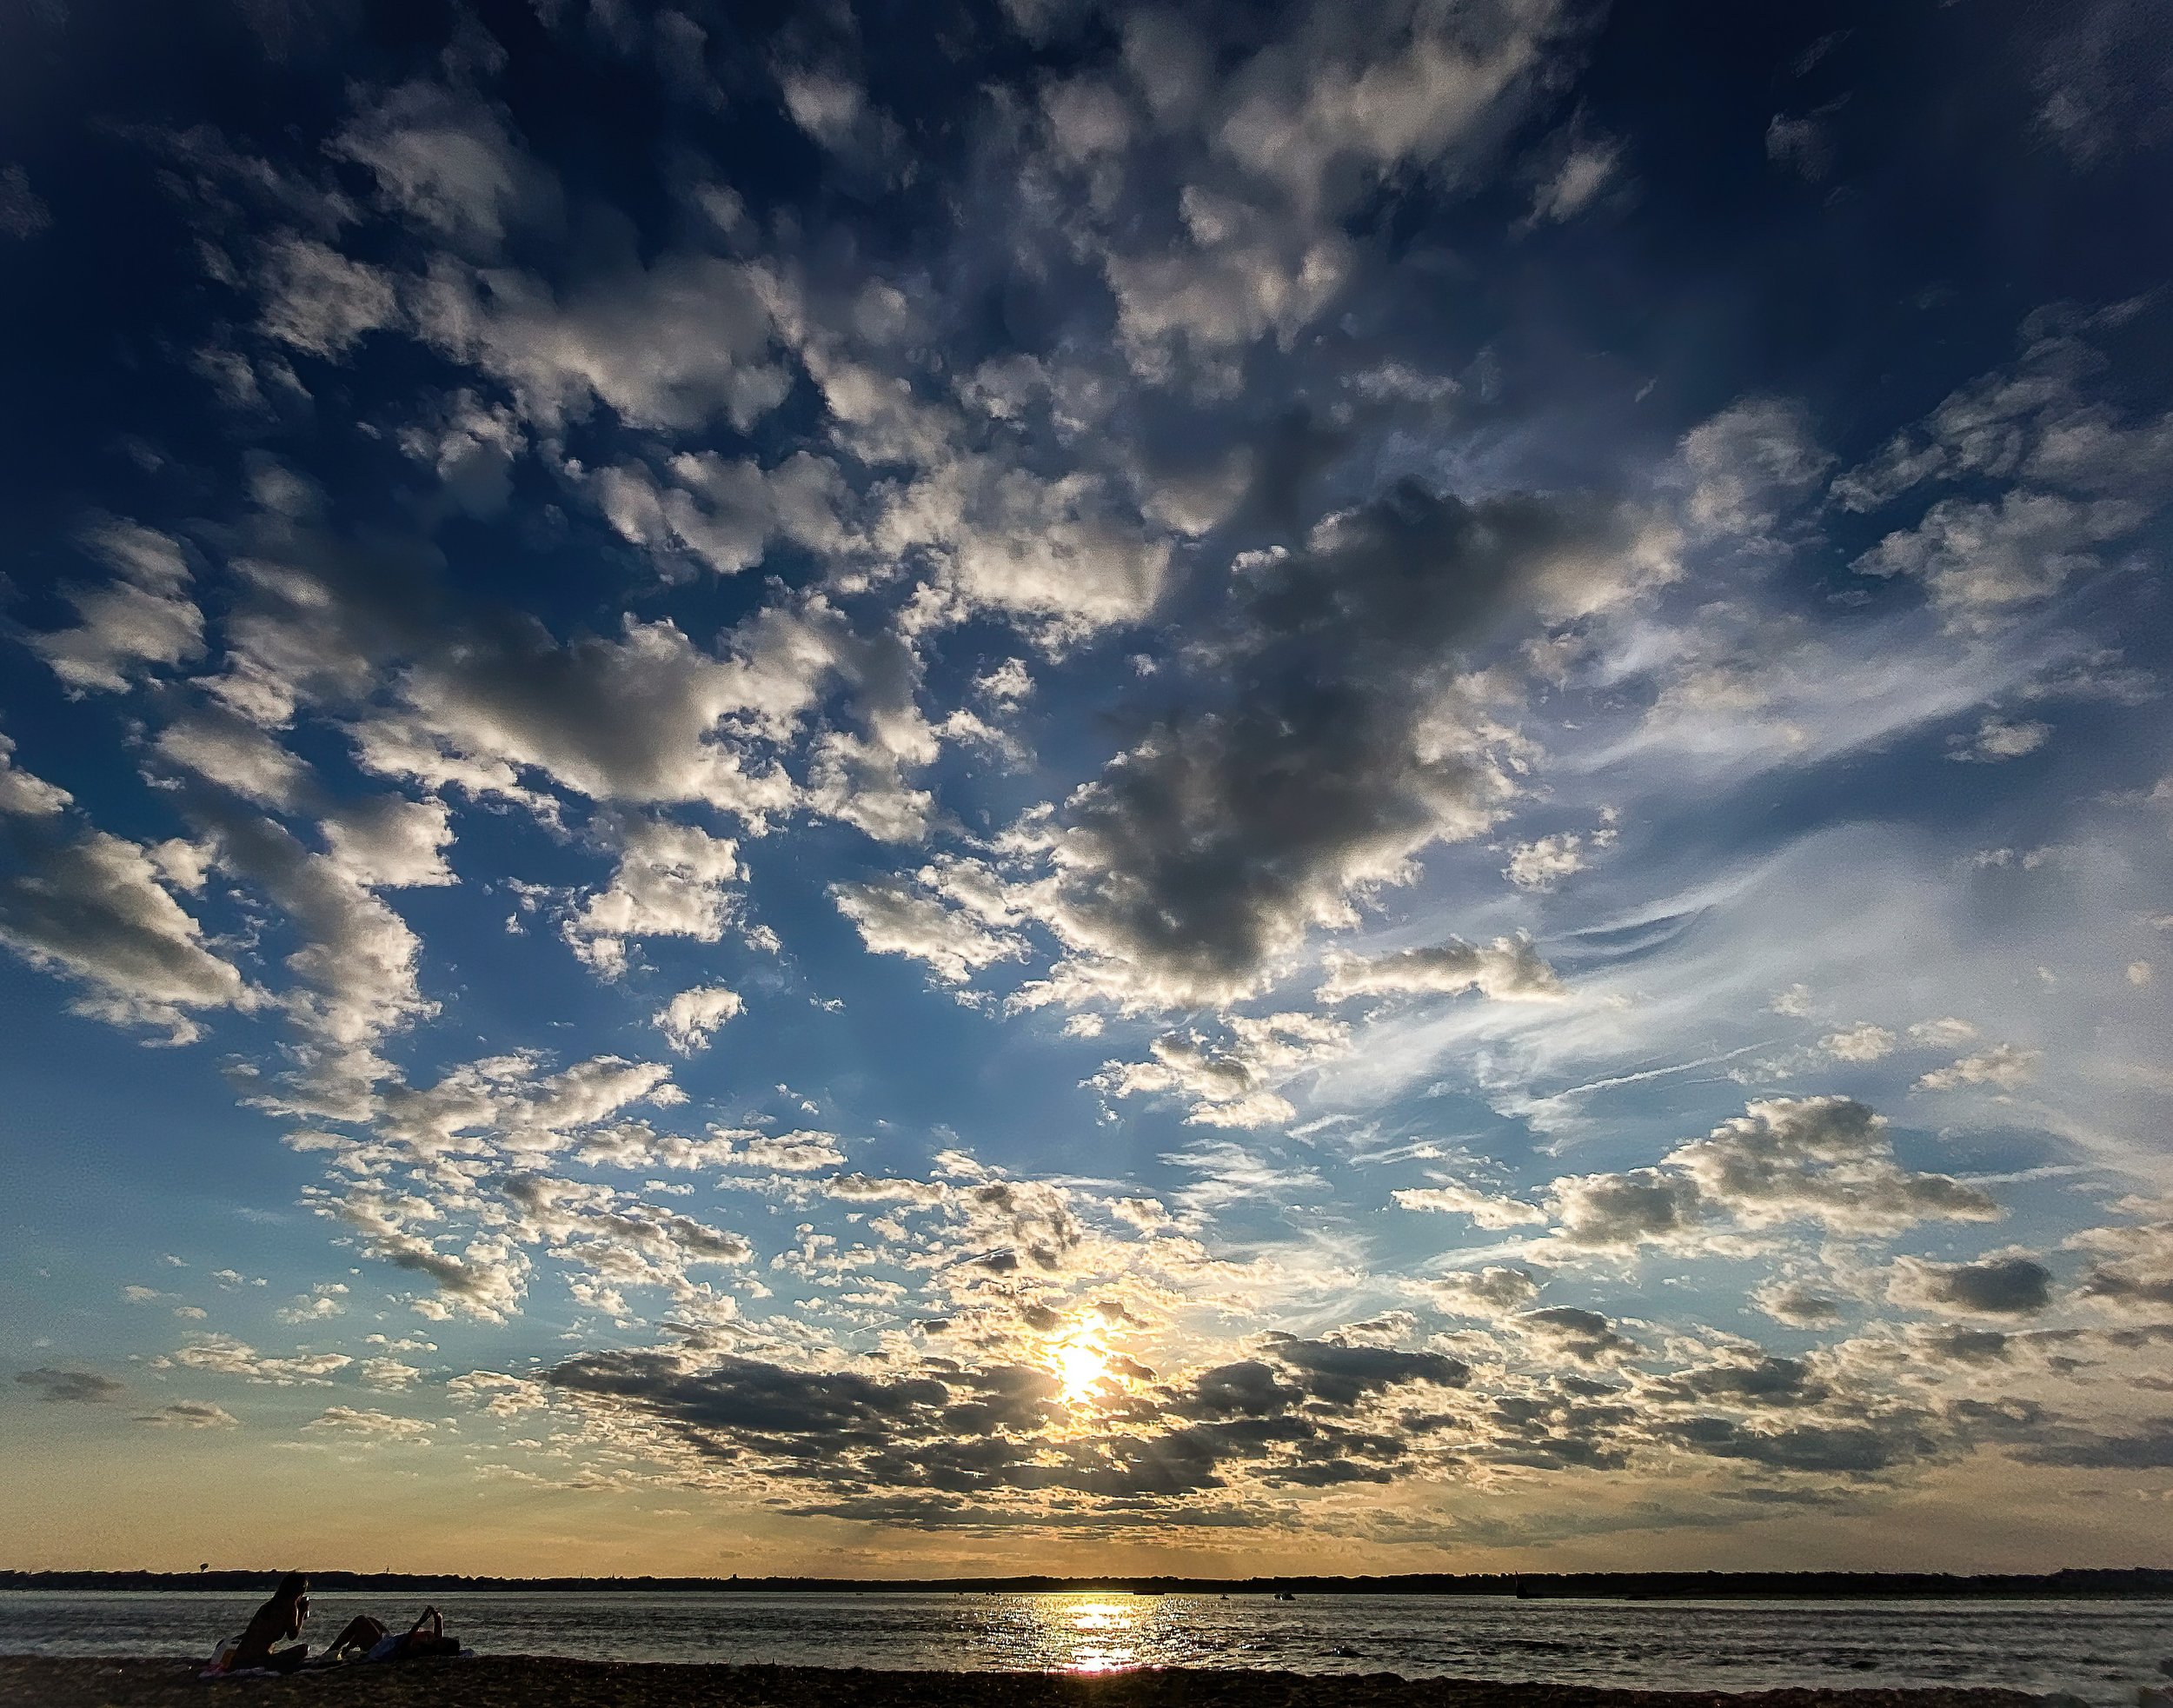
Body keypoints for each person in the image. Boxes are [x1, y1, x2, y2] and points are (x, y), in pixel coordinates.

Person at [223, 1572, 311, 1673]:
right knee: (303, 1649)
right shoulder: (290, 1606)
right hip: (254, 1661)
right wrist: (302, 1613)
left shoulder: (268, 1606)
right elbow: (293, 1635)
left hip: (238, 1659)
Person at [363, 1605, 460, 1663]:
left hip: (387, 1647)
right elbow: (439, 1622)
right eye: (445, 1639)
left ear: (441, 1648)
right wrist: (435, 1613)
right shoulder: (435, 1639)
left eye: (443, 1642)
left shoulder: (422, 1649)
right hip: (392, 1640)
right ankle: (348, 1650)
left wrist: (420, 1622)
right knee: (370, 1620)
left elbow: (404, 1645)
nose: (442, 1639)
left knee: (361, 1621)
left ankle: (347, 1650)